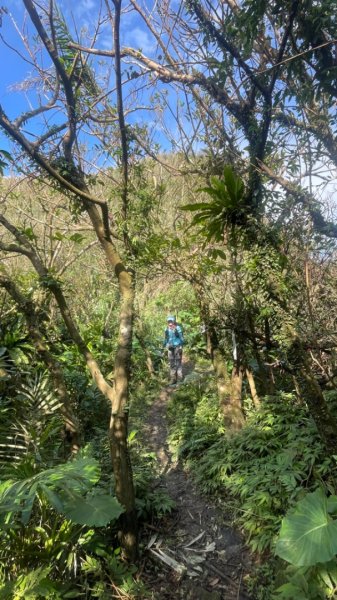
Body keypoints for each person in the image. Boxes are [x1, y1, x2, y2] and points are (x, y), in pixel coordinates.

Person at [163, 315, 184, 384]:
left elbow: (182, 338)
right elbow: (166, 339)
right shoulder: (166, 329)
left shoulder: (178, 328)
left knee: (178, 363)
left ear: (174, 321)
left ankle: (180, 378)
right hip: (170, 348)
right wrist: (164, 345)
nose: (170, 323)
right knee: (172, 363)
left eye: (171, 321)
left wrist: (181, 346)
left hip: (177, 347)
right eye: (169, 321)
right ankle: (173, 379)